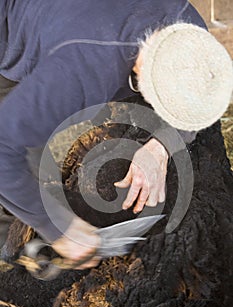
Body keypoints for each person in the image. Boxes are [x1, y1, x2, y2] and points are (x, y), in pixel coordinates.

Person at [0, 0, 232, 269]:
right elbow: (3, 149)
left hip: (76, 21)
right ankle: (11, 244)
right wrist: (58, 228)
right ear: (144, 79)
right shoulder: (82, 69)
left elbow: (193, 105)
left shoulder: (188, 29)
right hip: (11, 25)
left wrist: (161, 145)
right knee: (23, 152)